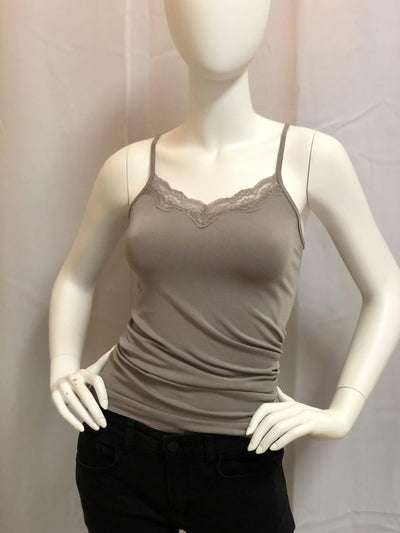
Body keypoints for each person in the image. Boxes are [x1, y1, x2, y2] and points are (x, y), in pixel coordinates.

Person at [48, 1, 400, 532]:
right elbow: (76, 277)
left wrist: (342, 410)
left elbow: (387, 287)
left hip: (243, 450)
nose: (214, 13)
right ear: (169, 16)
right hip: (119, 443)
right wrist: (61, 368)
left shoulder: (309, 158)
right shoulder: (129, 167)